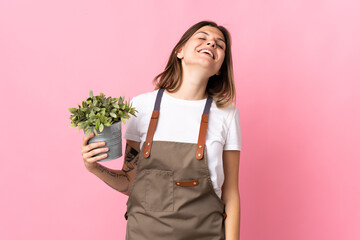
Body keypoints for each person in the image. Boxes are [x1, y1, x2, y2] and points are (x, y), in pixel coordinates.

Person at [81, 20, 241, 240]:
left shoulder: (227, 114)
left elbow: (231, 194)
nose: (211, 43)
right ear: (180, 51)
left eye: (220, 45)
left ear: (220, 68)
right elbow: (130, 182)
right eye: (203, 38)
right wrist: (94, 168)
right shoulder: (141, 107)